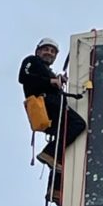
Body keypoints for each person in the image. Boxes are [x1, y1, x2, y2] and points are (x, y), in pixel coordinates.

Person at [18, 37, 87, 184]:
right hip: (47, 104)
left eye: (53, 51)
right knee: (78, 124)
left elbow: (45, 81)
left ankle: (55, 185)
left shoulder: (47, 71)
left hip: (50, 106)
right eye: (46, 50)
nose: (49, 53)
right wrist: (51, 81)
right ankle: (48, 153)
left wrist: (56, 79)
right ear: (38, 51)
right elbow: (24, 76)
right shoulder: (32, 61)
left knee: (63, 138)